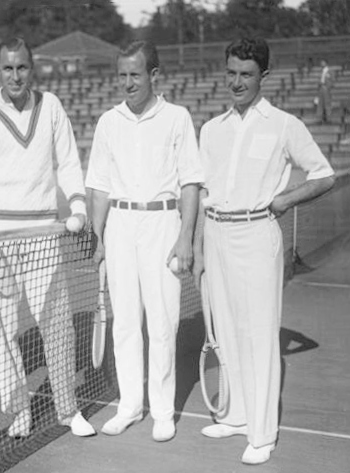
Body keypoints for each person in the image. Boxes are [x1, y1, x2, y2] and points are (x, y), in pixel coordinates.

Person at [193, 37, 335, 465]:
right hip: (216, 236)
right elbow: (203, 193)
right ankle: (236, 415)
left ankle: (262, 433)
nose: (237, 82)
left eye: (247, 75)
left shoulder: (284, 124)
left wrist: (285, 200)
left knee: (258, 335)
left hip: (257, 236)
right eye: (232, 73)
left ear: (264, 77)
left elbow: (324, 174)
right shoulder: (211, 130)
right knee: (229, 330)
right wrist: (199, 250)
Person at [0, 37, 95, 438]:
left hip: (43, 233)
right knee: (4, 330)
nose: (15, 76)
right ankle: (19, 411)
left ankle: (68, 409)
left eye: (21, 68)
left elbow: (68, 160)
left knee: (56, 324)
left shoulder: (50, 105)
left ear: (31, 68)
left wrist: (79, 205)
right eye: (7, 68)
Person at [85, 40, 204, 443]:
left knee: (163, 323)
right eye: (122, 75)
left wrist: (185, 238)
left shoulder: (178, 118)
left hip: (162, 227)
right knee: (125, 324)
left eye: (135, 74)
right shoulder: (108, 121)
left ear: (154, 75)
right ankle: (130, 405)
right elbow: (99, 187)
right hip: (119, 226)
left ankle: (163, 410)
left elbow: (190, 182)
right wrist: (98, 238)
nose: (128, 82)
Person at [316, 59, 333, 123]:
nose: (321, 64)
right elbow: (319, 80)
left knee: (327, 104)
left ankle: (329, 118)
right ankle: (319, 119)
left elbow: (332, 81)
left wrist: (327, 87)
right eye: (321, 63)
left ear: (326, 63)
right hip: (321, 88)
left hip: (326, 89)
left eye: (323, 62)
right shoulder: (320, 71)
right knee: (320, 104)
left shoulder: (330, 71)